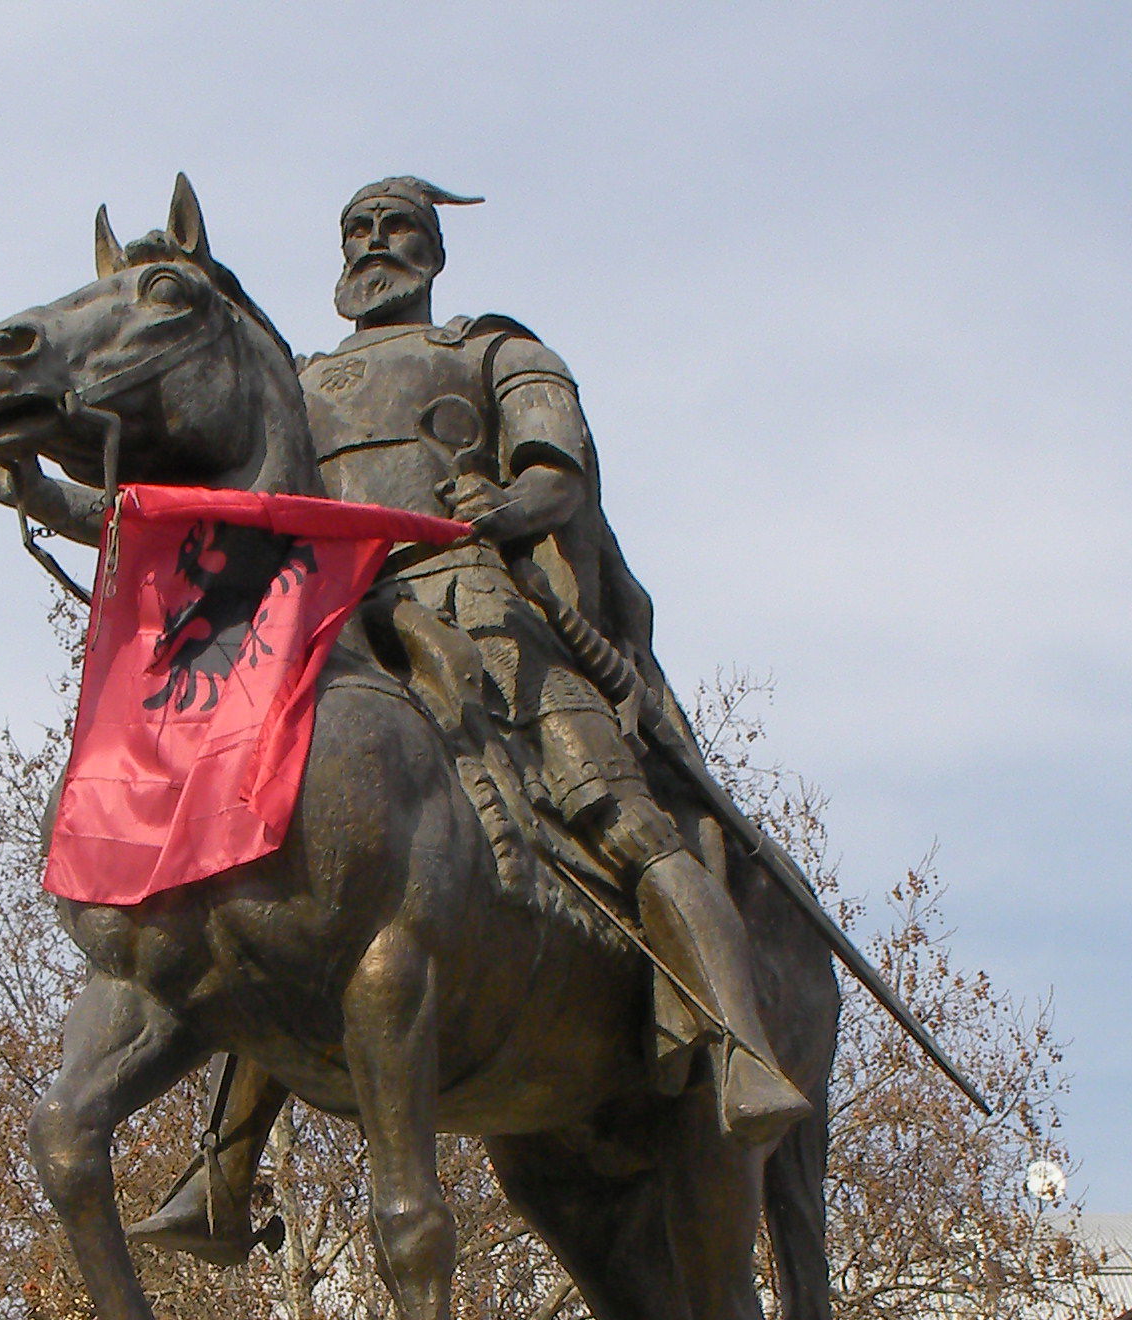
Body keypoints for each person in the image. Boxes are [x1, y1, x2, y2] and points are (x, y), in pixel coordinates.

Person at [112, 179, 813, 1260]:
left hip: (473, 616)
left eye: (397, 230)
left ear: (433, 253)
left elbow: (555, 475)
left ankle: (739, 1046)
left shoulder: (488, 349)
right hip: (326, 623)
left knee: (612, 812)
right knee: (272, 864)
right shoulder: (291, 382)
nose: (373, 247)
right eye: (356, 231)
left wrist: (508, 506)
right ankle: (221, 1170)